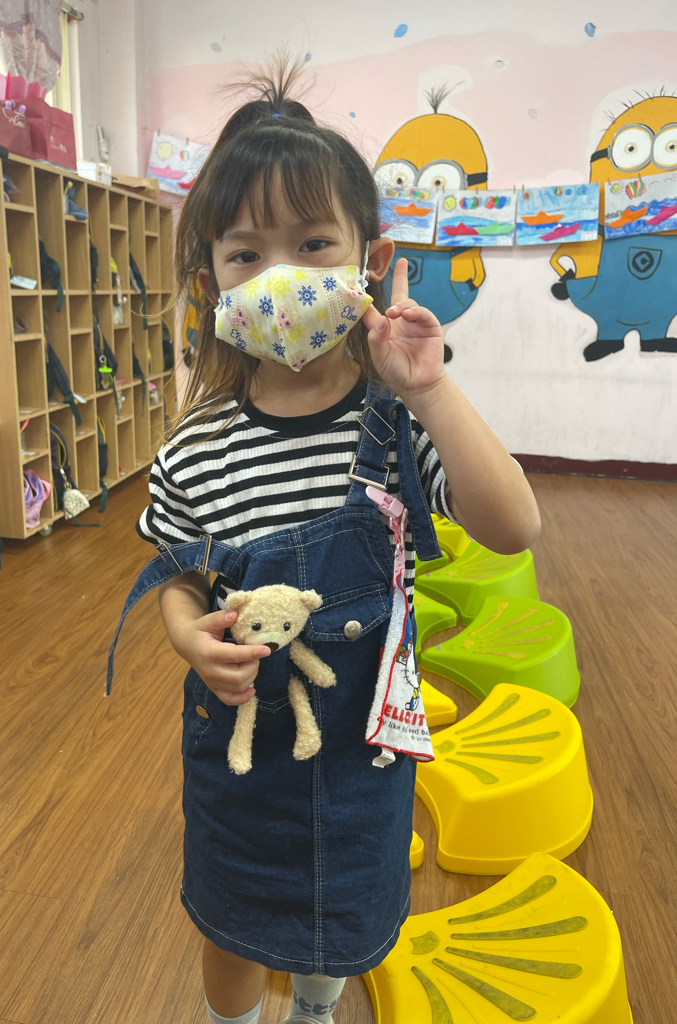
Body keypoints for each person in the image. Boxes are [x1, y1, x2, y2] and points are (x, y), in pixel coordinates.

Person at [108, 62, 541, 1024]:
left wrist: (431, 389)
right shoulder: (198, 446)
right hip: (241, 755)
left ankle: (314, 1011)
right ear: (210, 282)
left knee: (339, 922)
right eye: (246, 255)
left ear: (369, 260)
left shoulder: (397, 421)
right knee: (232, 928)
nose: (281, 278)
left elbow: (515, 527)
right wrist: (184, 635)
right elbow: (176, 571)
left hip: (361, 760)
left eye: (312, 244)